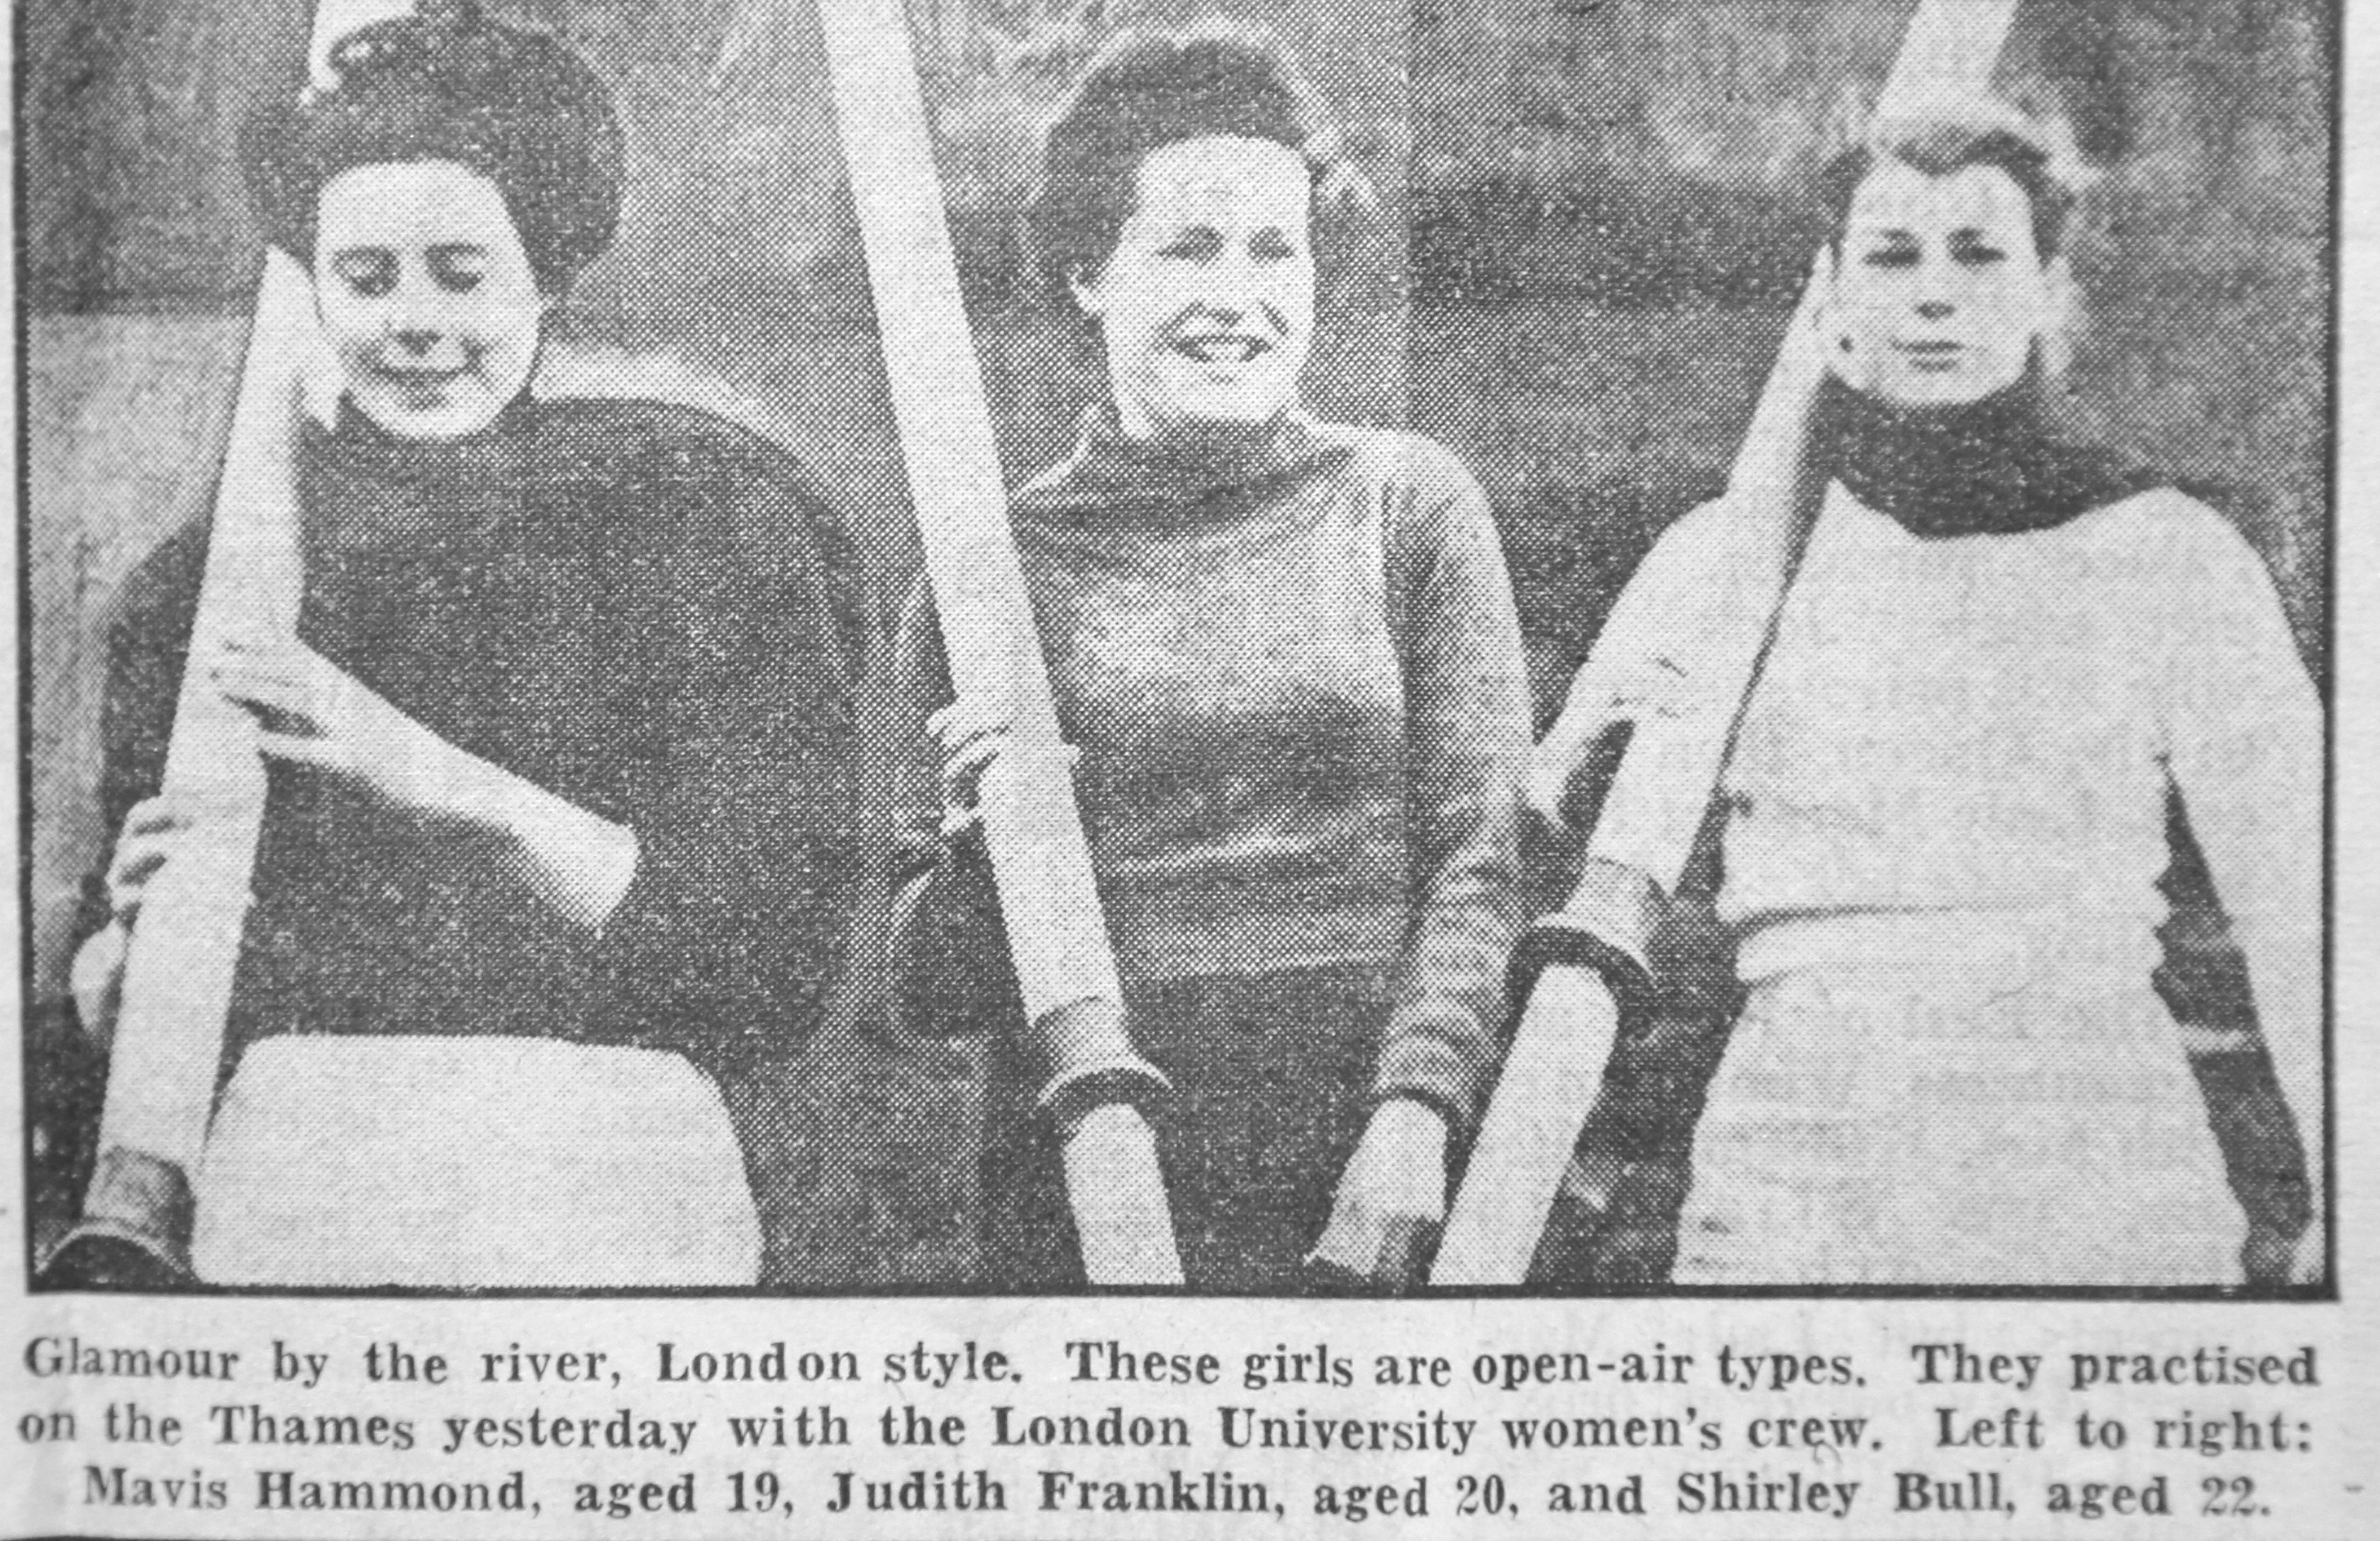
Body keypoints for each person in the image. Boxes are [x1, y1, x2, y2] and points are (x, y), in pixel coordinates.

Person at [50, 0, 862, 1289]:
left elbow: (764, 975)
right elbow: (116, 1037)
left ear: (547, 263)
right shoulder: (207, 585)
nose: (414, 322)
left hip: (613, 1173)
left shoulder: (701, 513)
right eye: (365, 279)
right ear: (314, 283)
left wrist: (417, 766)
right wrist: (120, 966)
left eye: (462, 272)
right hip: (292, 1185)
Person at [1530, 106, 2323, 1286]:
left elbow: (2306, 899)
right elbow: (1545, 831)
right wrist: (1592, 755)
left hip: (2094, 1164)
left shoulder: (2175, 556)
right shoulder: (1729, 554)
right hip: (1795, 1170)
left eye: (1980, 254)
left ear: (2051, 287)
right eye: (1894, 257)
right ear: (1832, 294)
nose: (1935, 295)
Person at [887, 27, 1530, 1291]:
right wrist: (980, 855)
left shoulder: (1408, 505)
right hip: (1087, 1141)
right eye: (1187, 248)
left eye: (1273, 249)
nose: (1236, 295)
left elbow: (1481, 853)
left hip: (1371, 1135)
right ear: (1089, 273)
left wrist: (1419, 1112)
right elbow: (926, 991)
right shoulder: (992, 564)